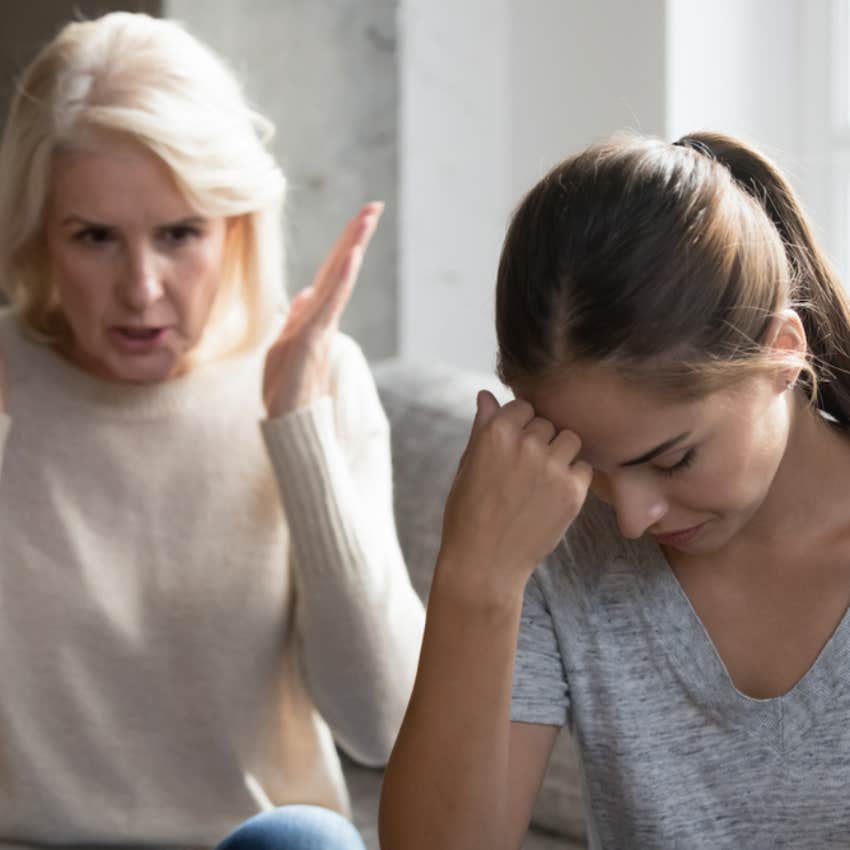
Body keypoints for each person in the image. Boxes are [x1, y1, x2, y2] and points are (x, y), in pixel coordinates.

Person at [0, 11, 424, 849]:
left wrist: (298, 427)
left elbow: (383, 727)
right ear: (41, 234)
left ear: (235, 224)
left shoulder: (318, 378)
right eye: (94, 238)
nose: (142, 289)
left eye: (179, 233)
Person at [379, 131, 850, 849]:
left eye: (674, 459)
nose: (631, 517)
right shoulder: (547, 541)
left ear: (782, 355)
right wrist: (476, 577)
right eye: (589, 463)